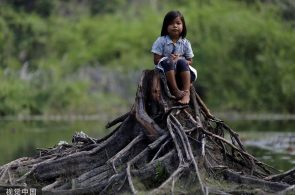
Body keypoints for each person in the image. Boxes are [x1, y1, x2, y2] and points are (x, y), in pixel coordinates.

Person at [151, 10, 197, 104]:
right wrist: (169, 59)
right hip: (165, 71)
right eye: (171, 23)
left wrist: (178, 59)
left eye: (178, 23)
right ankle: (175, 90)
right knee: (169, 61)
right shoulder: (161, 41)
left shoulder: (185, 43)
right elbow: (156, 61)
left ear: (183, 26)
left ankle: (186, 94)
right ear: (166, 26)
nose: (175, 26)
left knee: (182, 62)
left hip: (182, 71)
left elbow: (190, 61)